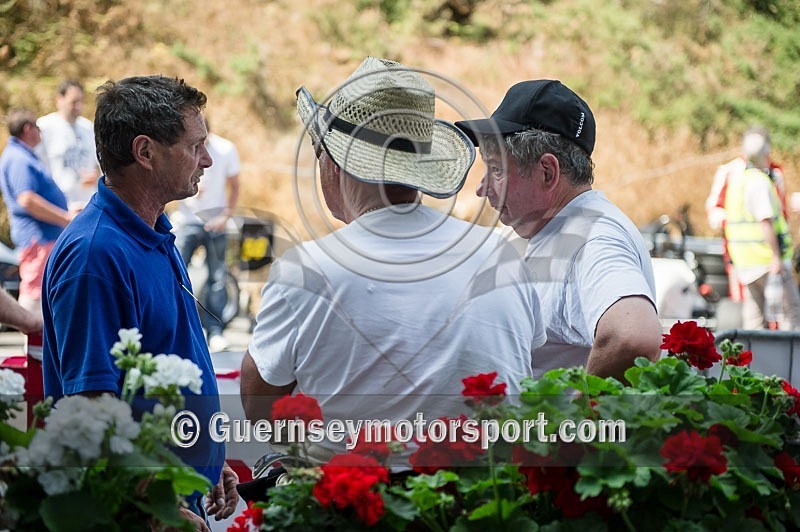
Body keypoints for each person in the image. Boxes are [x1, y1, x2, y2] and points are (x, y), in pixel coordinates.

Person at [240, 57, 546, 466]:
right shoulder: (502, 255)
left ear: (333, 162)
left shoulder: (308, 269)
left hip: (352, 505)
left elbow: (262, 411)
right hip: (481, 502)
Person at [40, 76, 238, 530]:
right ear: (145, 152)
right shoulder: (95, 254)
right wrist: (156, 507)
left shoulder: (154, 232)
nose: (207, 159)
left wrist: (206, 459)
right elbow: (90, 408)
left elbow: (168, 351)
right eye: (196, 146)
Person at [455, 80, 662, 382]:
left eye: (496, 169)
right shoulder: (541, 226)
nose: (481, 188)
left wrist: (572, 423)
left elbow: (633, 337)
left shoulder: (595, 238)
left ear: (547, 172)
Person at [720, 128, 800, 329]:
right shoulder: (760, 183)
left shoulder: (737, 180)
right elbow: (766, 221)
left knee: (754, 319)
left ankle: (754, 359)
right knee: (790, 314)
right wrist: (775, 257)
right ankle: (789, 360)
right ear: (766, 153)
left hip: (746, 263)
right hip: (766, 262)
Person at [173, 116, 240, 352]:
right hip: (189, 220)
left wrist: (226, 216)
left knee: (218, 278)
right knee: (175, 272)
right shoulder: (181, 147)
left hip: (216, 221)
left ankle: (215, 331)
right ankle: (177, 327)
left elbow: (235, 184)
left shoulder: (225, 149)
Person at [0, 109, 71, 317]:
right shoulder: (18, 159)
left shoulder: (22, 156)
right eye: (37, 128)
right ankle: (31, 344)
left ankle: (35, 344)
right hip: (37, 238)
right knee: (34, 292)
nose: (40, 132)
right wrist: (65, 218)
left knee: (41, 290)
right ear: (28, 129)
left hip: (43, 237)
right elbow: (27, 199)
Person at [705, 126, 788, 304]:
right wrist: (736, 221)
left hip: (772, 253)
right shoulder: (729, 172)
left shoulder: (775, 173)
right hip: (741, 254)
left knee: (778, 309)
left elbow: (781, 213)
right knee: (748, 306)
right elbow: (714, 211)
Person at [35, 80, 101, 212]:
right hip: (60, 206)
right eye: (74, 102)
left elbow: (98, 164)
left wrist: (95, 175)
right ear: (59, 99)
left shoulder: (88, 127)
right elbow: (35, 166)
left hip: (87, 204)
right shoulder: (44, 127)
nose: (78, 106)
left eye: (81, 101)